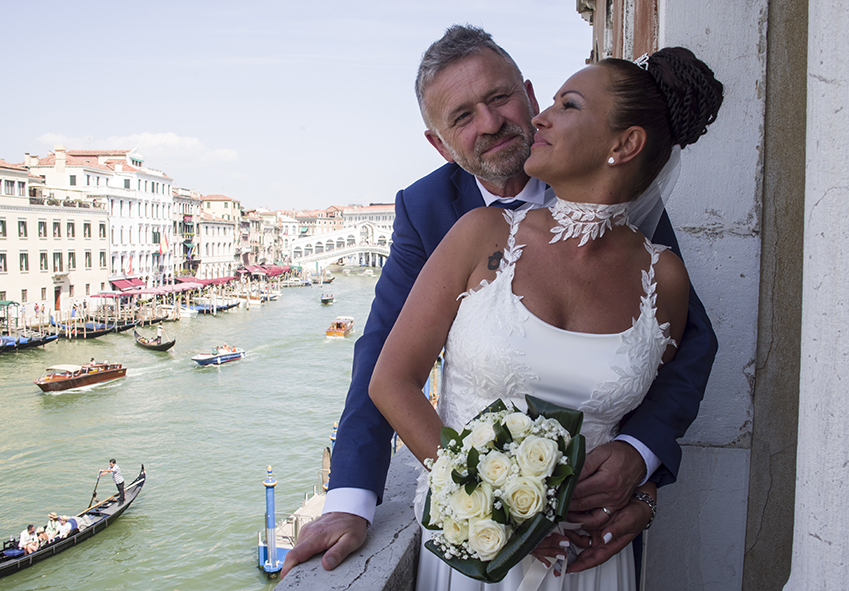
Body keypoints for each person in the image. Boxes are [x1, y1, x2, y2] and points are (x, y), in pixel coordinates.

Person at [281, 25, 717, 578]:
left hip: (593, 549)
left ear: (530, 97)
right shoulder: (430, 211)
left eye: (500, 97)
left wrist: (642, 459)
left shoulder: (618, 196)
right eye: (462, 117)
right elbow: (384, 356)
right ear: (439, 144)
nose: (491, 123)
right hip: (478, 536)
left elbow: (686, 344)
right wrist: (349, 500)